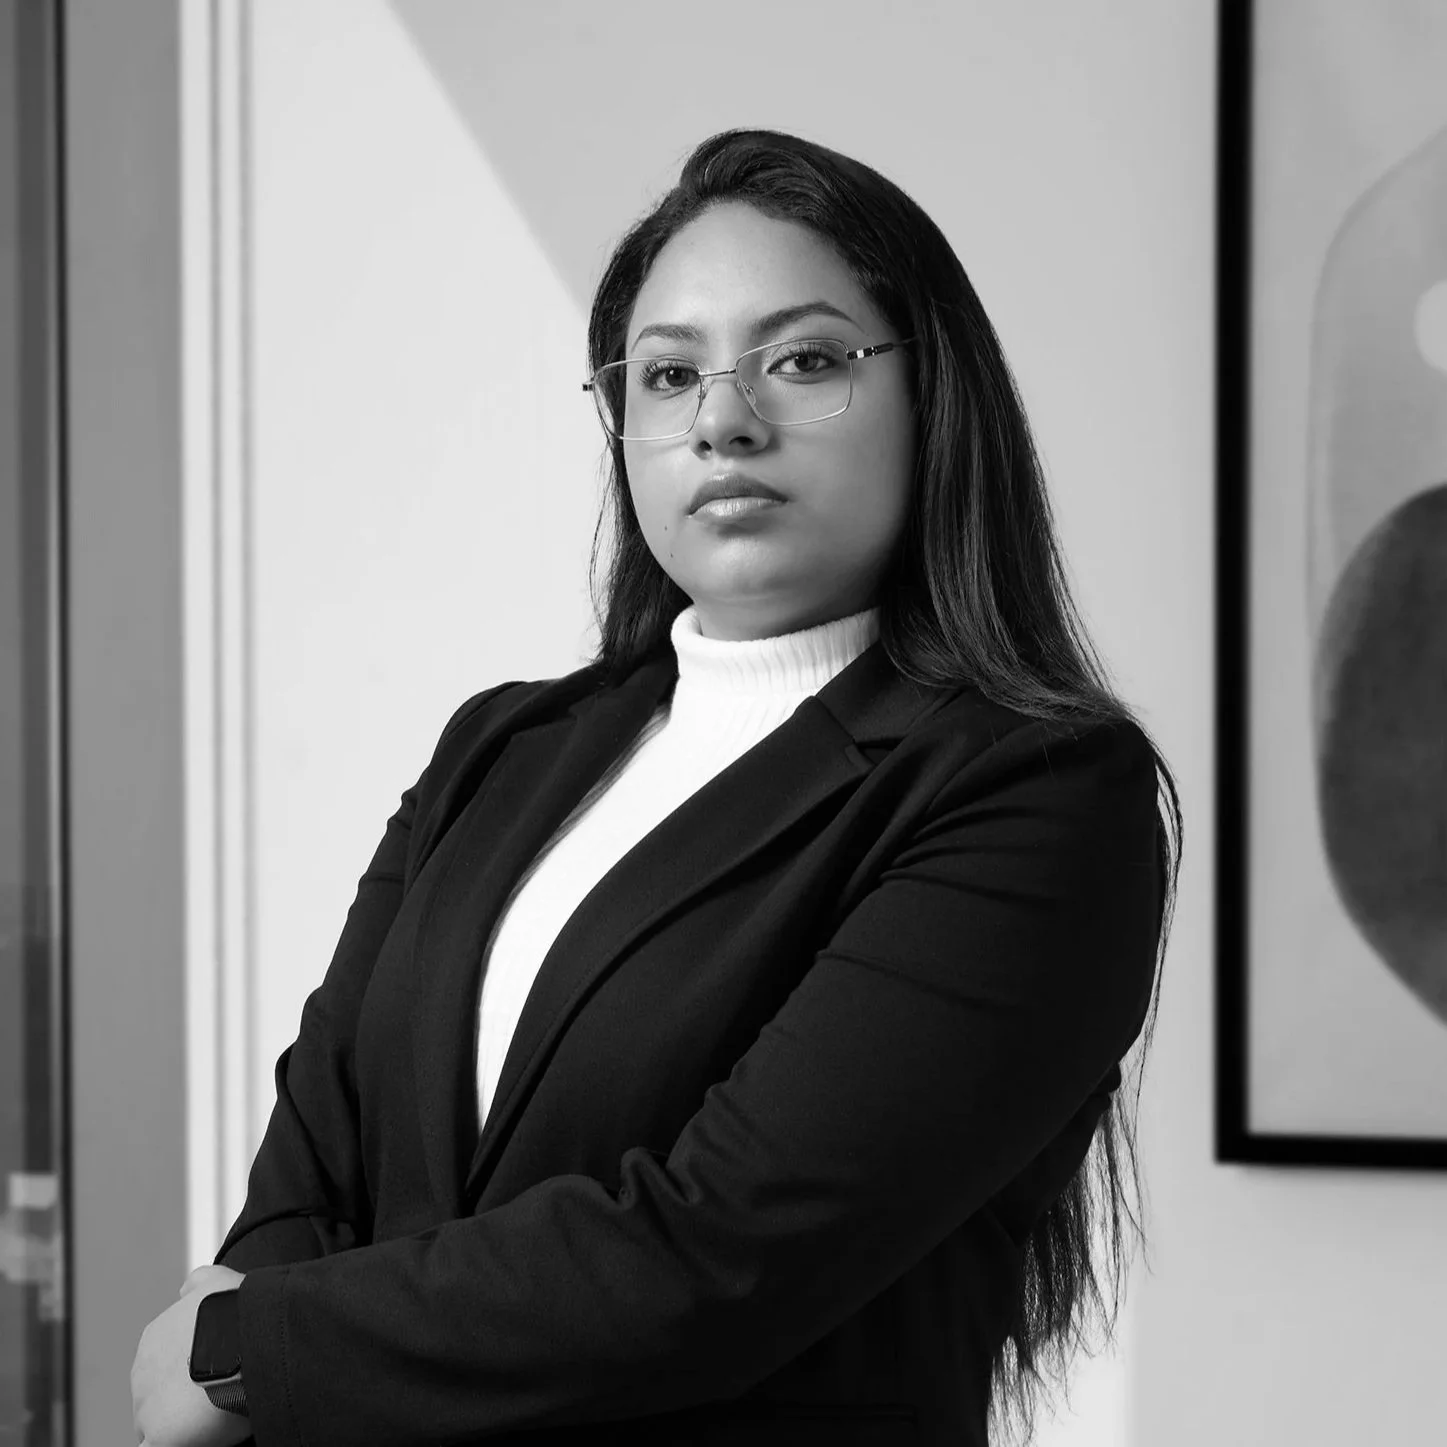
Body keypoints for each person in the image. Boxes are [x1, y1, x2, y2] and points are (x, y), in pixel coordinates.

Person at [131, 127, 1183, 1447]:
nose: (722, 419)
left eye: (803, 359)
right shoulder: (502, 748)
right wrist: (276, 1328)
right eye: (668, 371)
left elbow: (711, 1258)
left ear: (936, 397)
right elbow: (318, 1140)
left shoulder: (1035, 794)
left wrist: (244, 1349)